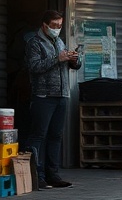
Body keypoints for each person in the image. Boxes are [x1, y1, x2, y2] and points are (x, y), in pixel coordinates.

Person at [25, 10, 80, 189]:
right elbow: (34, 66)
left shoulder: (59, 41)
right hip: (43, 96)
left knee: (56, 136)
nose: (57, 29)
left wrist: (73, 60)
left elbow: (69, 65)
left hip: (62, 94)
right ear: (45, 25)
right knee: (38, 135)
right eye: (55, 26)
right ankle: (37, 176)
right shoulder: (34, 42)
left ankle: (53, 174)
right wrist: (58, 58)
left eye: (60, 26)